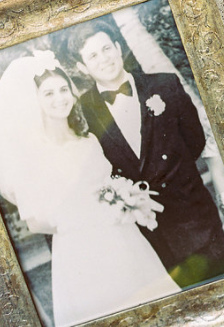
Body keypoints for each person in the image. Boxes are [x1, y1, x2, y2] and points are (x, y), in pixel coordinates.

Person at [0, 51, 180, 327]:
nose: (60, 98)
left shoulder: (88, 140)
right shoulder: (35, 156)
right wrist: (95, 217)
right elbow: (36, 222)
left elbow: (105, 185)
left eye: (63, 89)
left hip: (125, 237)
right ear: (34, 101)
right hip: (82, 251)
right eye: (48, 94)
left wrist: (125, 200)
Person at [67, 21, 224, 289]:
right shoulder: (83, 112)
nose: (104, 59)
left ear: (118, 48)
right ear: (83, 68)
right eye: (93, 56)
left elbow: (195, 140)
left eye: (106, 48)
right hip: (144, 235)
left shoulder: (165, 86)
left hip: (194, 217)